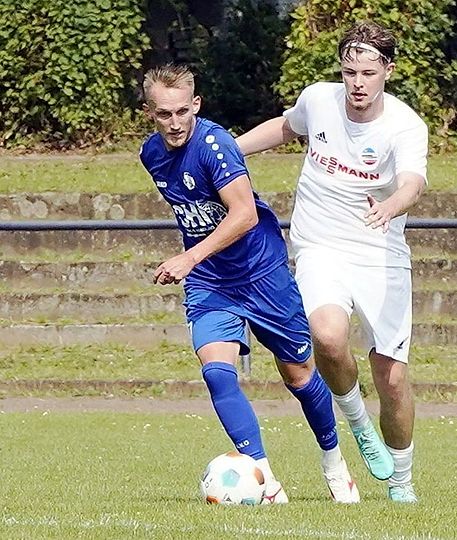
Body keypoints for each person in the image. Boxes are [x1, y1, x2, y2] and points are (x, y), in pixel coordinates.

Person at [139, 64, 360, 504]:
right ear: (150, 113)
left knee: (298, 376)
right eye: (165, 114)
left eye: (183, 111)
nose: (176, 122)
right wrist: (197, 261)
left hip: (262, 274)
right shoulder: (151, 154)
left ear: (196, 105)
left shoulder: (216, 147)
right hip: (210, 283)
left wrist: (189, 255)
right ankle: (263, 479)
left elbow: (243, 215)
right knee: (217, 373)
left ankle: (334, 462)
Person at [236, 21, 427, 503]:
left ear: (388, 69)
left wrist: (390, 206)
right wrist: (226, 151)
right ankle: (358, 423)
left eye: (367, 72)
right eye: (349, 72)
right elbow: (285, 127)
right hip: (319, 244)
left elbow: (412, 183)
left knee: (392, 374)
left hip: (379, 252)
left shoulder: (405, 125)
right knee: (326, 335)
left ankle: (401, 483)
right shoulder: (318, 99)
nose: (357, 83)